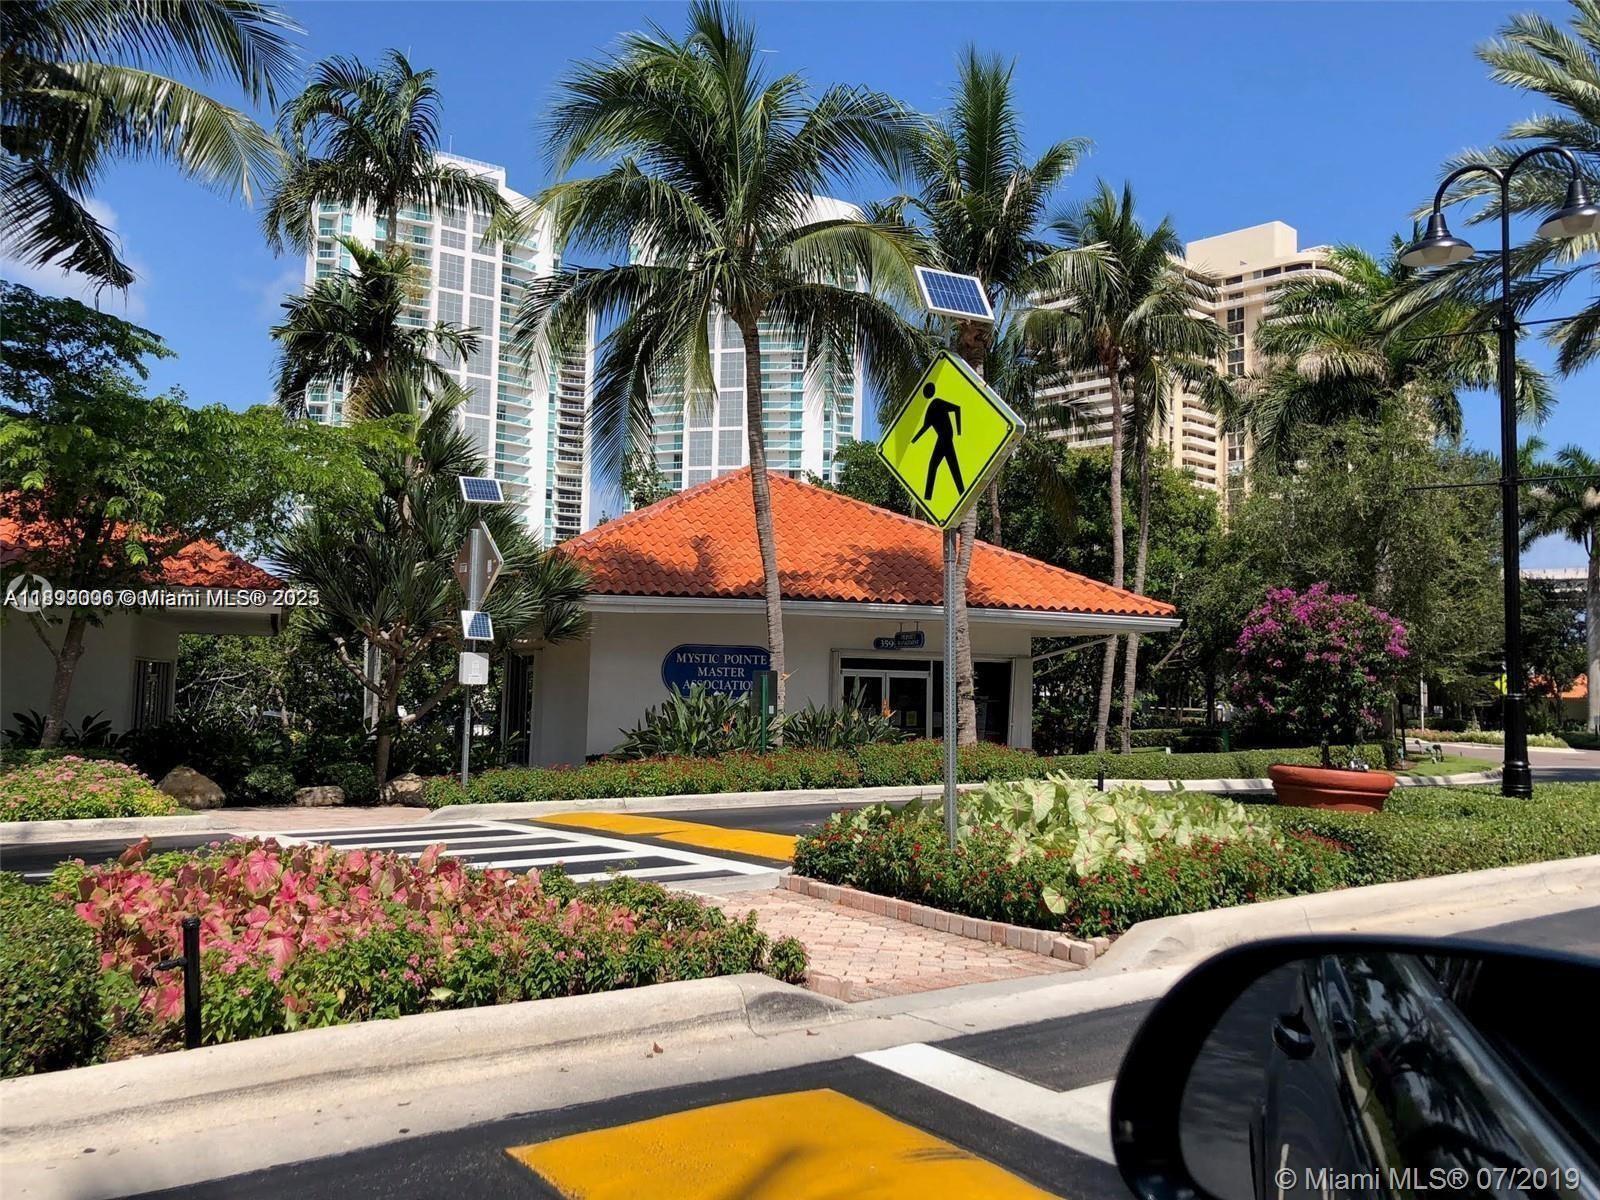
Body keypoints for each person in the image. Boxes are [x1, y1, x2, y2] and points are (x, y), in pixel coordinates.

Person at [911, 382, 963, 501]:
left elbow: (957, 409)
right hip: (943, 438)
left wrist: (959, 431)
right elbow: (925, 427)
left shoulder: (937, 403)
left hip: (946, 438)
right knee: (950, 467)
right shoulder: (930, 409)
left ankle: (929, 496)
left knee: (940, 466)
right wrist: (913, 441)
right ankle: (930, 496)